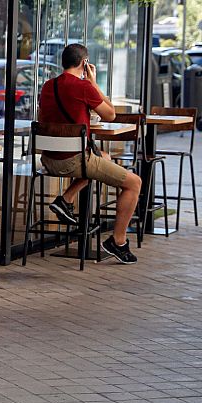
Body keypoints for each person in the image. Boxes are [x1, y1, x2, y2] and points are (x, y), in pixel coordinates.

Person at [39, 43, 142, 264]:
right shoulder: (83, 87)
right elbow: (111, 115)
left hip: (48, 159)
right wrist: (94, 83)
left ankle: (66, 199)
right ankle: (118, 241)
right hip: (72, 161)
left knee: (102, 158)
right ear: (84, 63)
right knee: (134, 183)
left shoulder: (48, 85)